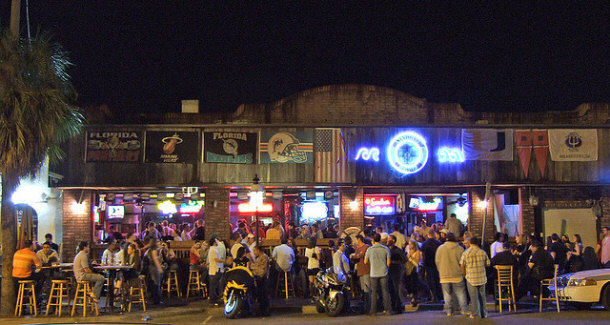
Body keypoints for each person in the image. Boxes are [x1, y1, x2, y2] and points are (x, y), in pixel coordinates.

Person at [435, 232, 468, 317]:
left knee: (447, 294)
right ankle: (464, 309)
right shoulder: (460, 249)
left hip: (444, 275)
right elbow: (463, 262)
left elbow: (437, 261)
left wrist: (441, 270)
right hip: (457, 275)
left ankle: (449, 311)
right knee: (461, 293)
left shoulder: (440, 248)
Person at [460, 237, 490, 319]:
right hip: (482, 277)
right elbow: (488, 264)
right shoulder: (482, 252)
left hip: (471, 278)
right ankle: (484, 313)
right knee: (482, 297)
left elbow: (462, 265)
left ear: (470, 243)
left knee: (474, 298)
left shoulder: (466, 253)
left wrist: (465, 274)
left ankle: (475, 314)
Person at [364, 233, 392, 315]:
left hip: (373, 273)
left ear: (373, 240)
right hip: (383, 272)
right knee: (385, 291)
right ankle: (388, 310)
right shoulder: (385, 249)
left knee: (374, 292)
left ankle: (373, 311)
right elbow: (388, 263)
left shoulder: (370, 249)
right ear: (380, 239)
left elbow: (365, 261)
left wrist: (372, 263)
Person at [351, 234, 371, 313]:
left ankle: (369, 306)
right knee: (363, 289)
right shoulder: (357, 248)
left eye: (356, 239)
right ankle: (365, 306)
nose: (356, 241)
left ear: (359, 239)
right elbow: (355, 257)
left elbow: (359, 256)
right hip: (360, 270)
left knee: (367, 288)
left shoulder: (366, 247)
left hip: (366, 270)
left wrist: (355, 256)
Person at [421, 229, 443, 302]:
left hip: (428, 264)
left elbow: (422, 254)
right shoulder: (438, 243)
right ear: (434, 234)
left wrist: (424, 262)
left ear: (428, 235)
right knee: (437, 280)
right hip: (437, 264)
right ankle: (439, 296)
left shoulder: (424, 243)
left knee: (430, 280)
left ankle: (432, 296)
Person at [388, 234, 406, 314]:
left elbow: (404, 259)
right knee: (391, 289)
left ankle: (398, 307)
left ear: (393, 241)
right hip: (389, 272)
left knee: (396, 289)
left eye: (390, 239)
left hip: (396, 271)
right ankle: (393, 306)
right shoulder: (387, 249)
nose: (388, 241)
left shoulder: (397, 250)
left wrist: (395, 262)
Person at [143, 238, 164, 305]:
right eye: (157, 242)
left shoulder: (149, 250)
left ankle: (155, 299)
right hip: (154, 268)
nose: (159, 243)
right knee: (156, 283)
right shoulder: (154, 250)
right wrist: (159, 268)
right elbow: (155, 260)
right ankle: (157, 300)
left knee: (154, 283)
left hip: (150, 268)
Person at [251, 245, 270, 316]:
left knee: (263, 295)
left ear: (258, 250)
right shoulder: (258, 258)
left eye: (255, 250)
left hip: (262, 279)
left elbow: (262, 270)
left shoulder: (264, 257)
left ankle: (265, 311)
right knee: (260, 295)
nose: (254, 252)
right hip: (258, 279)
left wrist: (255, 270)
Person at [404, 239, 424, 307]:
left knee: (414, 284)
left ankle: (414, 298)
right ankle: (412, 296)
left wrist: (410, 258)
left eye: (411, 244)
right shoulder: (408, 251)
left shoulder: (417, 252)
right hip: (408, 269)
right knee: (409, 284)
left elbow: (417, 261)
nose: (410, 245)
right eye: (409, 244)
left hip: (414, 269)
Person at [207, 236, 225, 306]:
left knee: (214, 285)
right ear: (214, 242)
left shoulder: (214, 249)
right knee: (213, 286)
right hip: (214, 269)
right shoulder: (212, 250)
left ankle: (214, 299)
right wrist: (224, 261)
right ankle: (212, 301)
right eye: (216, 241)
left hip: (216, 269)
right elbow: (216, 259)